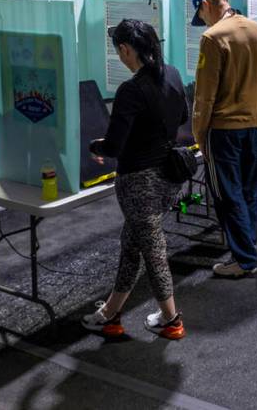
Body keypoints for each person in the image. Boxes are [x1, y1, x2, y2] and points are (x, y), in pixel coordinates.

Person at [82, 19, 189, 340]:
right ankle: (111, 313)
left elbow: (113, 146)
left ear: (126, 50)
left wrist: (94, 146)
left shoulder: (131, 90)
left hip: (138, 183)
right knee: (132, 245)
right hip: (168, 178)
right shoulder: (171, 74)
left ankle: (171, 320)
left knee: (153, 250)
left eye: (119, 52)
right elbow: (182, 117)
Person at [191, 0, 257, 278]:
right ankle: (249, 246)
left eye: (201, 15)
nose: (204, 22)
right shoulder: (256, 29)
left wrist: (199, 133)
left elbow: (205, 95)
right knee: (248, 191)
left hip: (223, 129)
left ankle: (244, 260)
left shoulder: (213, 38)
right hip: (253, 123)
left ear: (206, 6)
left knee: (227, 194)